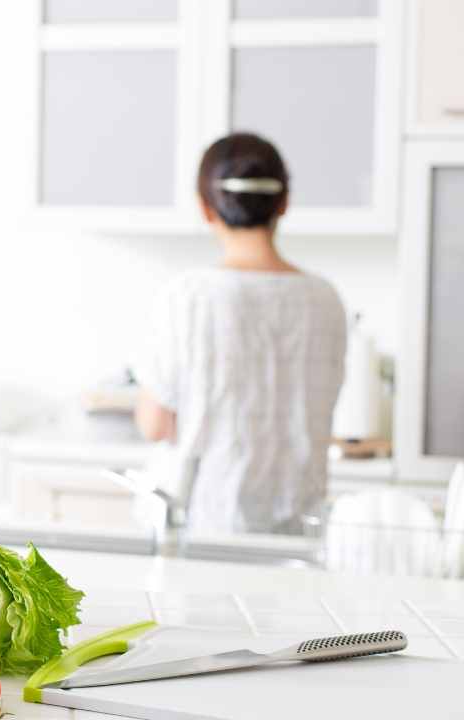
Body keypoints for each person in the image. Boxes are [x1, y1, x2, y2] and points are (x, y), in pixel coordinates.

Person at [134, 133, 347, 535]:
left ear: (205, 208)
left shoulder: (187, 296)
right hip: (299, 532)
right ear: (283, 204)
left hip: (204, 527)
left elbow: (155, 424)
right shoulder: (326, 299)